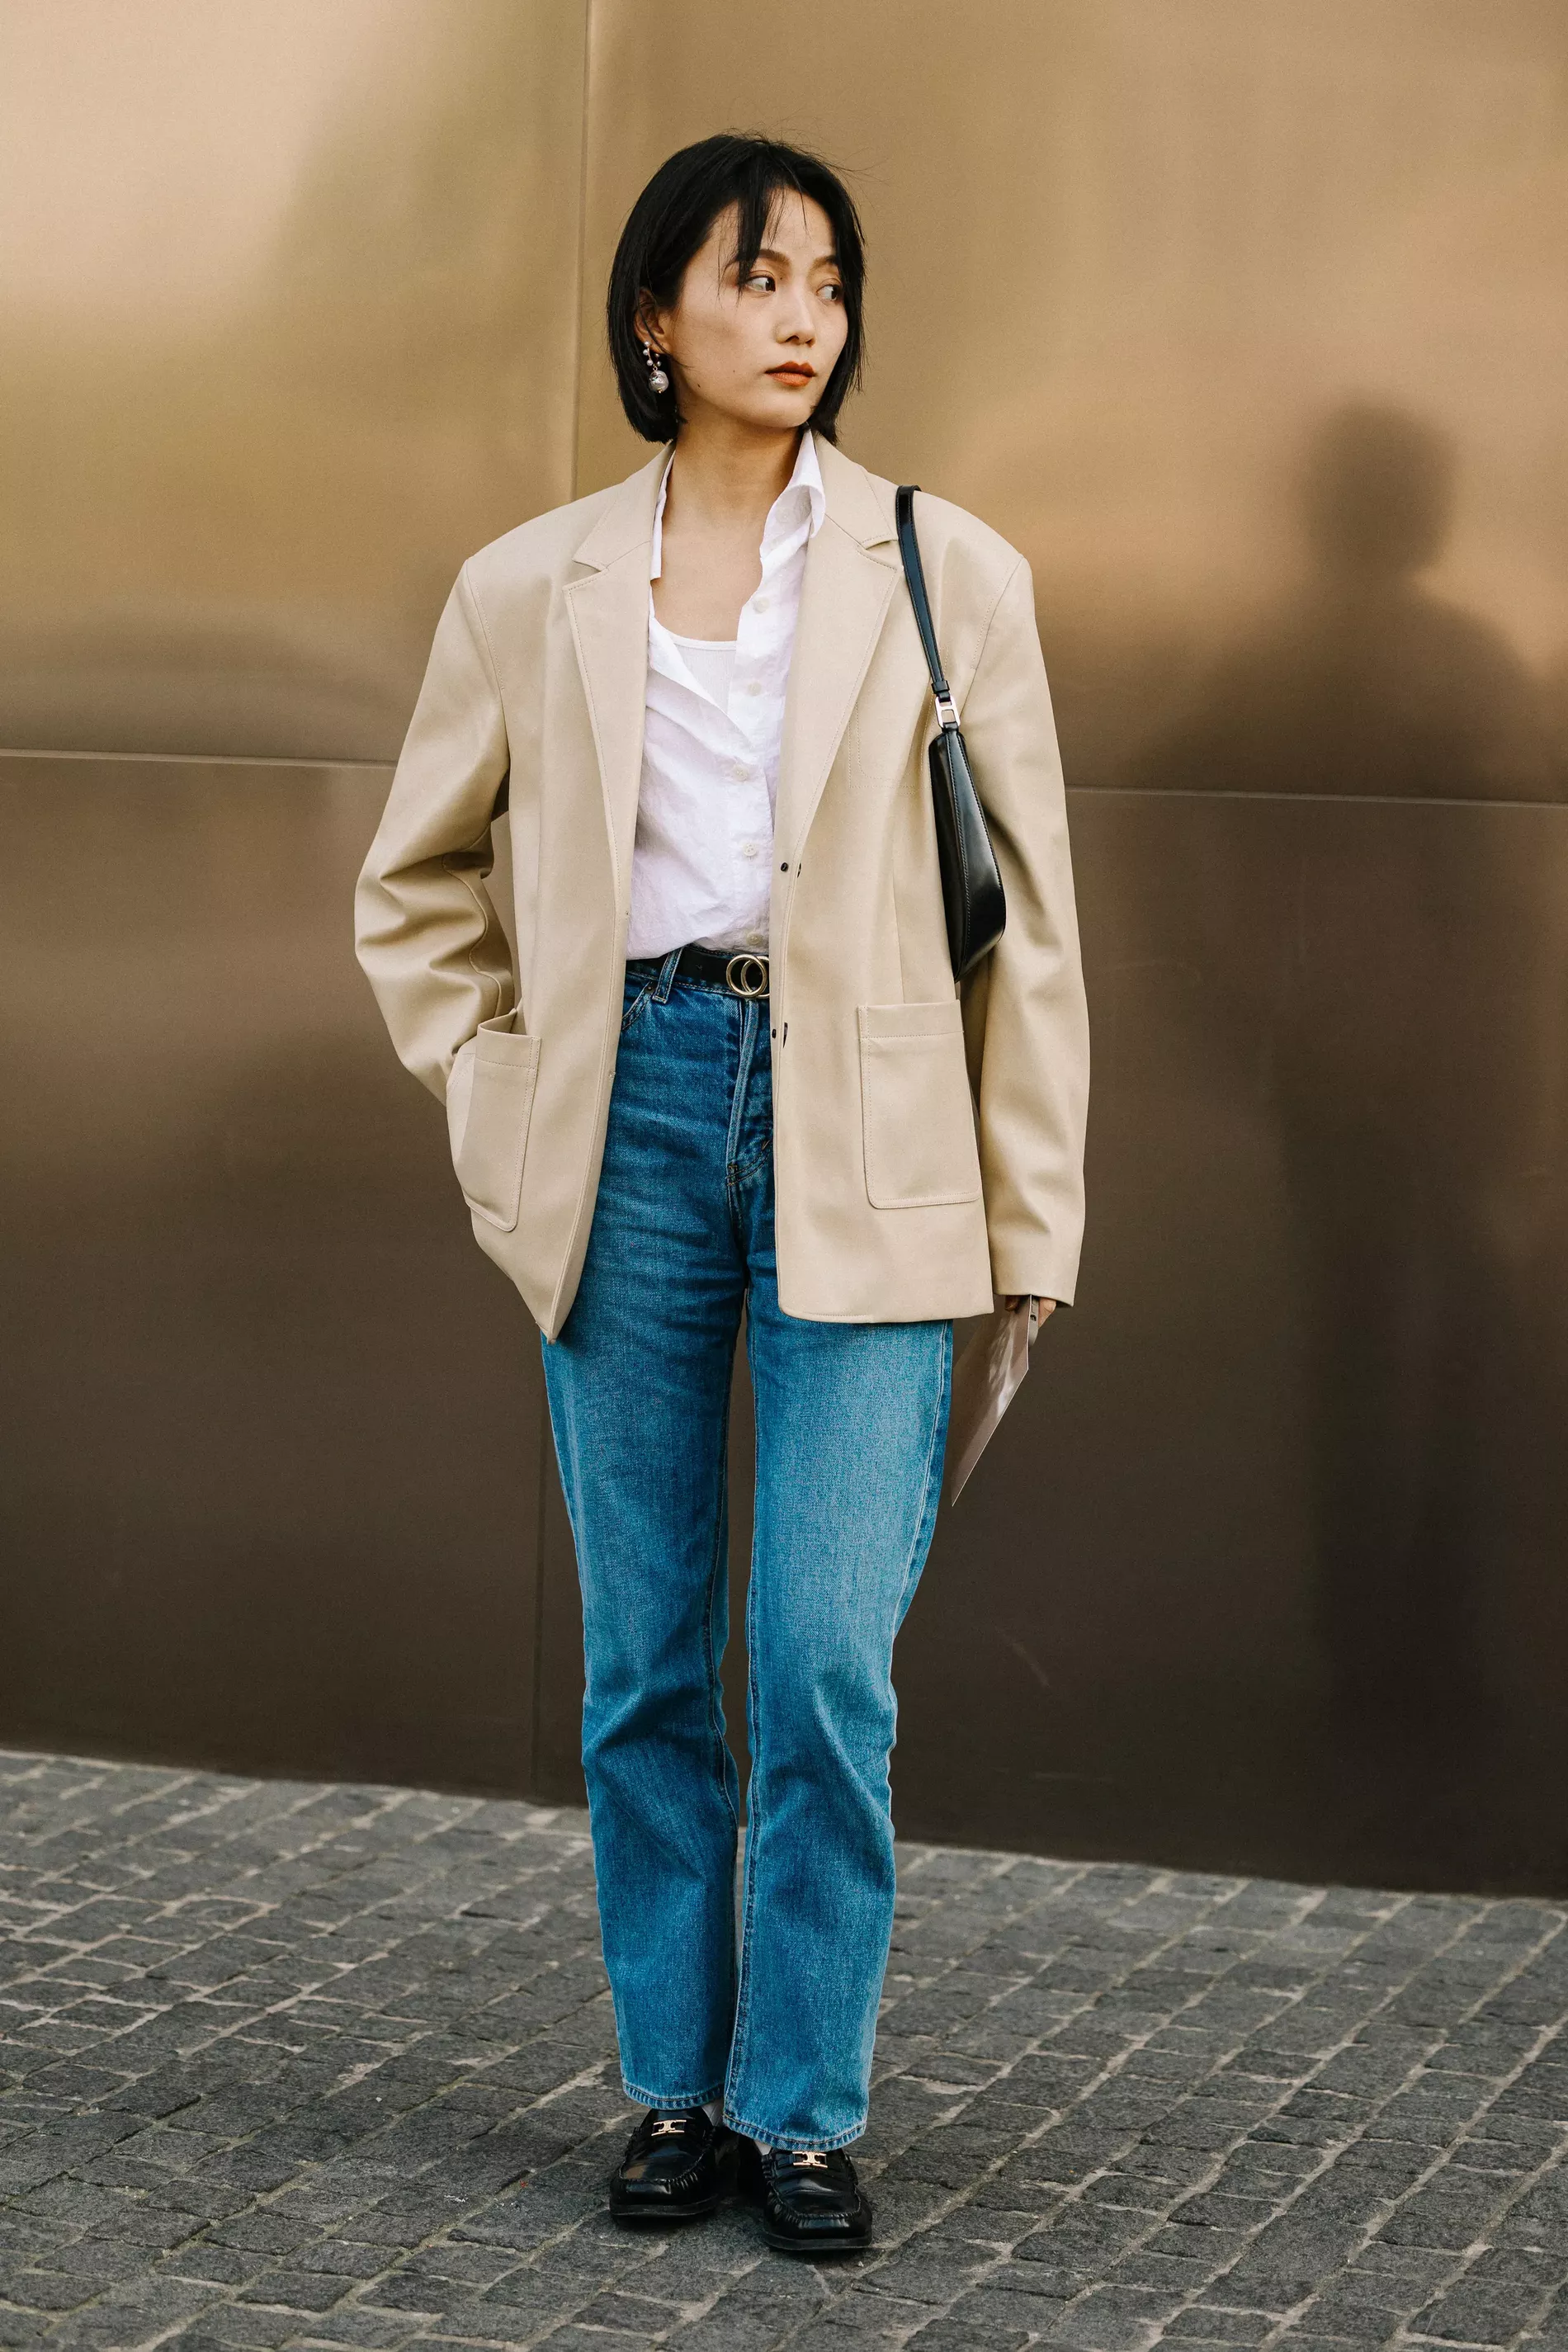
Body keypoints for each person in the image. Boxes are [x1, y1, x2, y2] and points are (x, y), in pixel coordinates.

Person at [355, 132, 1089, 2255]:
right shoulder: (527, 582)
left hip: (868, 1133)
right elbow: (413, 888)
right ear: (654, 316)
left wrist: (1026, 1222)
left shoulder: (947, 569)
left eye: (829, 283)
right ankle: (672, 2085)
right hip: (631, 1129)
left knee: (822, 1654)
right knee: (645, 1658)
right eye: (757, 276)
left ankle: (803, 2108)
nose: (801, 316)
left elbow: (1025, 930)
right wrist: (503, 1108)